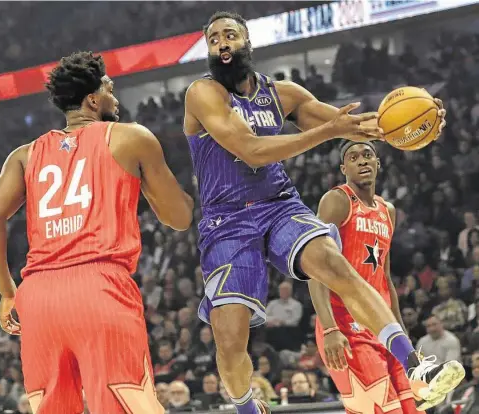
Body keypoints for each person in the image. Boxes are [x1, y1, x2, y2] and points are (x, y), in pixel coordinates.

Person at [183, 11, 461, 414]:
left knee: (335, 265)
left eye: (230, 35)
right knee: (229, 340)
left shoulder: (283, 95)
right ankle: (246, 406)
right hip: (226, 221)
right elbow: (251, 150)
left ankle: (416, 366)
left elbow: (358, 125)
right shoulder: (202, 93)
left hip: (278, 204)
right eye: (213, 39)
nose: (222, 43)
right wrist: (328, 133)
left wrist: (413, 121)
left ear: (247, 43)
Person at [0, 51, 194, 414]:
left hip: (39, 296)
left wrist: (6, 292)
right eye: (110, 88)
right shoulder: (129, 137)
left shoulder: (25, 155)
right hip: (100, 285)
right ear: (93, 99)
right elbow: (179, 218)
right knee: (128, 403)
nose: (115, 96)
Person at [309, 141, 423, 413]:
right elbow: (315, 269)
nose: (362, 161)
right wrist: (330, 328)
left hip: (383, 324)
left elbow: (385, 277)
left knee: (413, 409)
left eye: (368, 155)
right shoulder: (337, 200)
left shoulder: (388, 211)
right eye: (353, 157)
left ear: (378, 164)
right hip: (347, 324)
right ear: (343, 167)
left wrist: (402, 335)